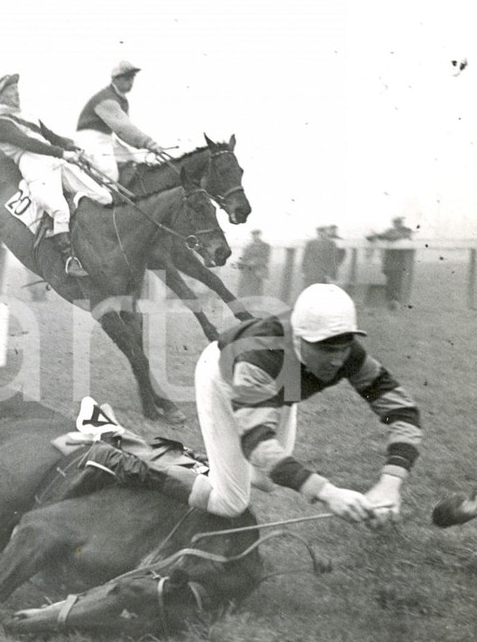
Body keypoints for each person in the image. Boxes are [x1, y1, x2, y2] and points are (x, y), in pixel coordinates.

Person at [88, 283, 421, 528]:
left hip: (281, 384)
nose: (336, 358)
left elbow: (403, 411)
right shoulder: (260, 359)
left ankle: (205, 464)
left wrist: (389, 483)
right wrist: (328, 492)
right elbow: (258, 444)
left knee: (266, 478)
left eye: (343, 344)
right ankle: (119, 452)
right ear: (298, 337)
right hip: (223, 374)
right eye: (324, 346)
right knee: (229, 502)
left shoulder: (349, 355)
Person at [0, 73, 112, 278]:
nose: (16, 93)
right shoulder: (0, 124)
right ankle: (69, 260)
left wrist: (72, 145)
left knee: (103, 196)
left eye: (16, 88)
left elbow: (52, 137)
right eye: (11, 90)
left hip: (56, 162)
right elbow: (29, 144)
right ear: (0, 96)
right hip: (34, 169)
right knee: (60, 209)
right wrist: (62, 152)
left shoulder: (30, 116)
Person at [74, 60, 172, 182]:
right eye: (126, 78)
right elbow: (124, 129)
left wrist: (144, 145)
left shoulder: (120, 99)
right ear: (115, 79)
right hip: (90, 139)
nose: (131, 82)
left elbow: (124, 132)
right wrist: (148, 143)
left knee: (136, 162)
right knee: (109, 172)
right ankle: (107, 200)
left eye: (132, 78)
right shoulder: (106, 99)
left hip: (107, 139)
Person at [367, 217, 415, 310]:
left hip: (401, 263)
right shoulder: (390, 231)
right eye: (395, 223)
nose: (397, 224)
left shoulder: (406, 231)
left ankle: (396, 302)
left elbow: (396, 236)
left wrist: (382, 236)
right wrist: (375, 236)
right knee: (391, 283)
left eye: (398, 223)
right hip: (390, 263)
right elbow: (381, 236)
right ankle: (391, 302)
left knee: (398, 283)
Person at [236, 229, 271, 298]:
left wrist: (254, 262)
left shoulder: (265, 246)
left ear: (259, 235)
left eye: (257, 235)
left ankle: (256, 304)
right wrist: (241, 262)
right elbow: (244, 257)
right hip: (248, 270)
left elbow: (266, 259)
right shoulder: (248, 246)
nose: (255, 237)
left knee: (256, 289)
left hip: (258, 270)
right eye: (254, 235)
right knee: (245, 288)